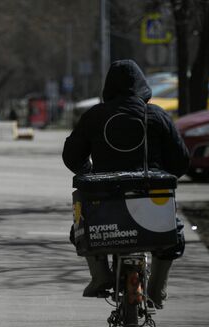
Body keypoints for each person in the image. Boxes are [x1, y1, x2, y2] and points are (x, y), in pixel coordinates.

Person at [62, 59, 190, 308]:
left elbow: (71, 156)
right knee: (172, 234)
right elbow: (181, 160)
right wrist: (160, 175)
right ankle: (156, 289)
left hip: (105, 202)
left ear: (108, 86)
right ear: (143, 86)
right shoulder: (156, 115)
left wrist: (90, 173)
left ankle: (100, 275)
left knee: (82, 227)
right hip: (151, 198)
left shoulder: (95, 116)